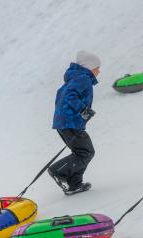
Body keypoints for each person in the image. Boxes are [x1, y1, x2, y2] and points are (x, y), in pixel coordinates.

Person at [47, 50, 100, 196]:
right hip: (69, 122)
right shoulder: (83, 78)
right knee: (86, 152)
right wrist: (83, 109)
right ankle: (58, 170)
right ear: (89, 67)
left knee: (81, 152)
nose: (99, 71)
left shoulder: (77, 77)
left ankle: (74, 185)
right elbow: (68, 96)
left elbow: (63, 94)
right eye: (97, 67)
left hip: (65, 121)